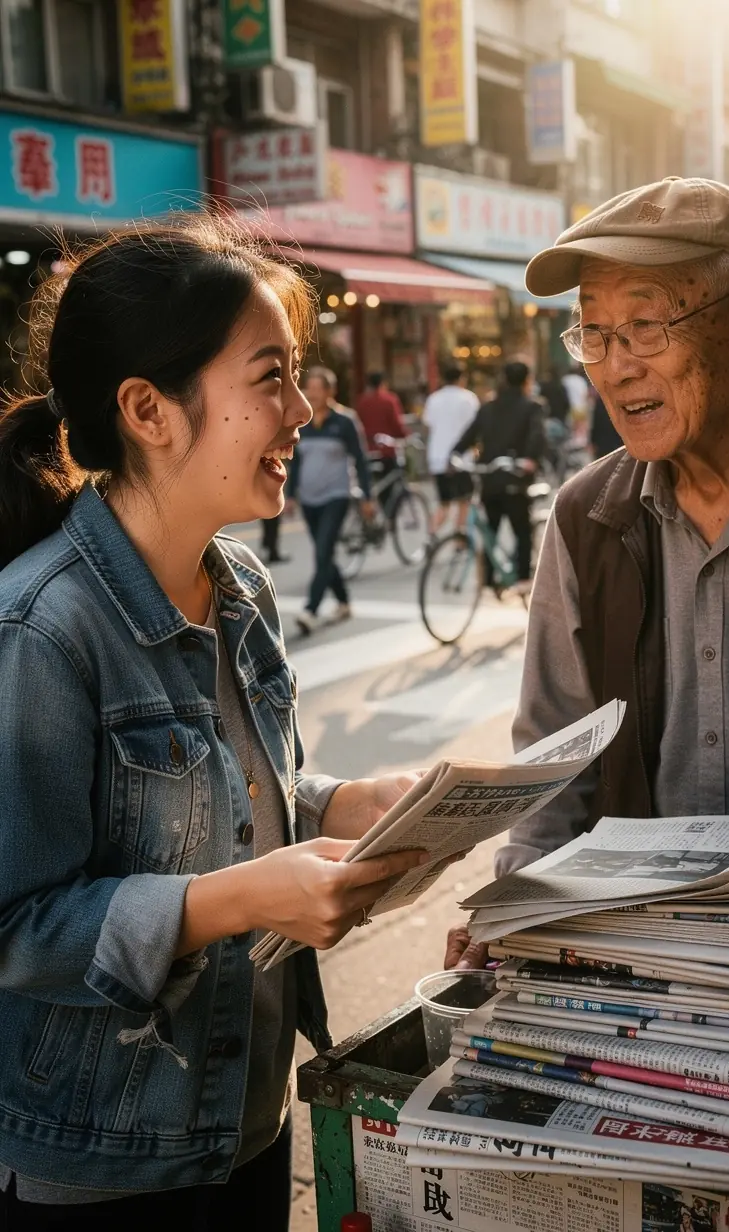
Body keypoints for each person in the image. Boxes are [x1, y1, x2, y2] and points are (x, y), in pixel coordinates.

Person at [0, 217, 428, 1226]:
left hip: (245, 1123)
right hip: (101, 1167)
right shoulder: (41, 630)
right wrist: (235, 901)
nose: (301, 410)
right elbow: (16, 923)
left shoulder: (240, 583)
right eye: (268, 378)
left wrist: (344, 802)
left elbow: (231, 802)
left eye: (298, 376)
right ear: (149, 409)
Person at [447, 174, 729, 969]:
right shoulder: (586, 517)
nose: (613, 368)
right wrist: (514, 913)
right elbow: (553, 767)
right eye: (594, 334)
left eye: (646, 326)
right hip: (638, 965)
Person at [289, 366, 374, 634]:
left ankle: (310, 609)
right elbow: (297, 462)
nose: (311, 394)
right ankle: (344, 601)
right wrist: (290, 495)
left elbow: (360, 460)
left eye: (317, 389)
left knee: (323, 552)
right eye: (308, 388)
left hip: (337, 496)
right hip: (309, 500)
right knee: (325, 554)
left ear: (330, 391)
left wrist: (367, 497)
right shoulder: (302, 423)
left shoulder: (345, 421)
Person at [453, 360, 547, 592]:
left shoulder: (488, 407)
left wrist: (454, 455)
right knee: (521, 531)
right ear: (527, 380)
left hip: (489, 479)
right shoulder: (532, 406)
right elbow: (538, 437)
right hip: (515, 477)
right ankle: (524, 580)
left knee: (491, 529)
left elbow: (469, 435)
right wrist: (530, 460)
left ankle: (488, 579)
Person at [422, 363, 479, 535]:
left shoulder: (433, 398)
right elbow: (475, 429)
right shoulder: (469, 398)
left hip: (437, 457)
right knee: (465, 501)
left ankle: (430, 538)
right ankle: (459, 538)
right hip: (462, 459)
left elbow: (428, 424)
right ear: (462, 378)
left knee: (444, 503)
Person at [355, 371, 407, 469]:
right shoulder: (390, 400)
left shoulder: (361, 401)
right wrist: (405, 435)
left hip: (367, 448)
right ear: (383, 383)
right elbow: (397, 424)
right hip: (386, 450)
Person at [589, 389, 624, 458]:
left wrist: (593, 441)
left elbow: (596, 423)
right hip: (617, 442)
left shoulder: (600, 401)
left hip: (604, 443)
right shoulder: (621, 400)